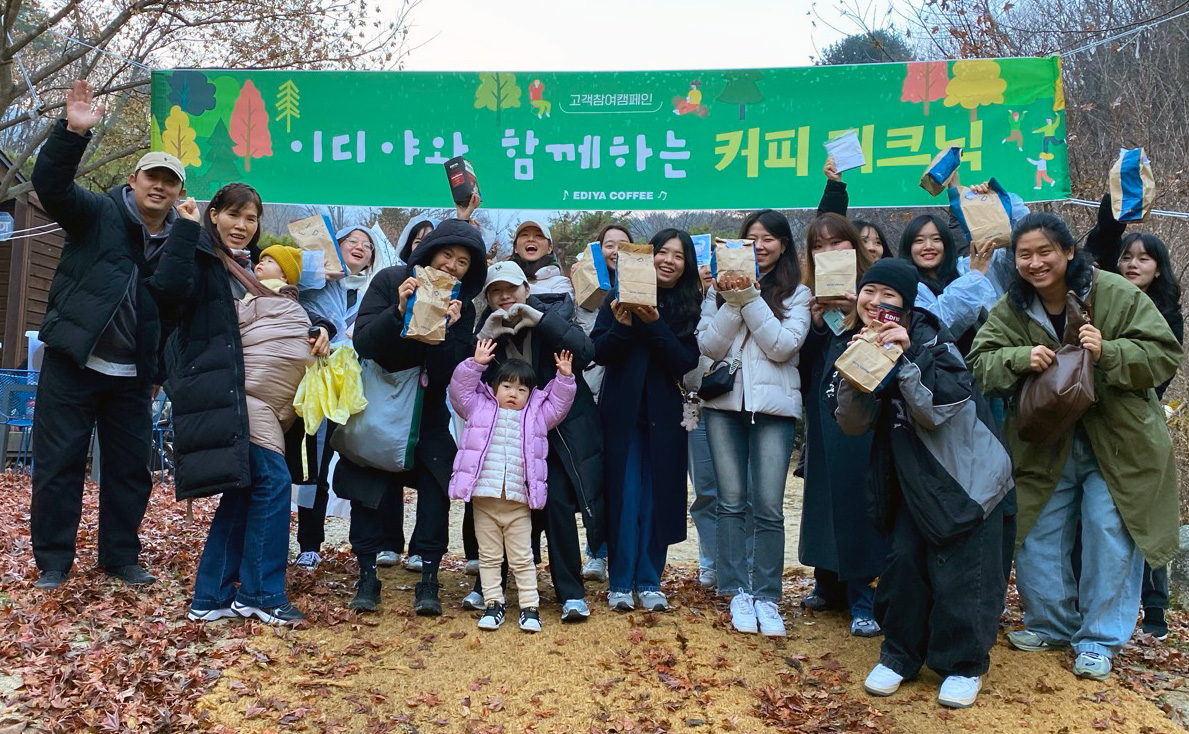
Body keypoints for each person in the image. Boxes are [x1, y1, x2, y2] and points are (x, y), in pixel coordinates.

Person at [968, 212, 1181, 681]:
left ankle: (1099, 639)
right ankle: (1050, 624)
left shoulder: (1115, 292)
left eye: (1045, 251)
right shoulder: (1014, 306)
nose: (1035, 262)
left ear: (1068, 252)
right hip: (1046, 442)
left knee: (1109, 534)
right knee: (1038, 531)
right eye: (1025, 254)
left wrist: (1110, 351)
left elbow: (1165, 354)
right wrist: (1020, 358)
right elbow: (979, 361)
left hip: (1118, 441)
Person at [833, 259, 1015, 709]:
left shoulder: (936, 343)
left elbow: (935, 411)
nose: (876, 303)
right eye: (868, 292)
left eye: (888, 296)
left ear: (908, 304)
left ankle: (963, 664)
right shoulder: (857, 344)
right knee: (905, 567)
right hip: (913, 483)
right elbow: (853, 425)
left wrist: (906, 355)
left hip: (968, 481)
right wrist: (858, 377)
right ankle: (899, 655)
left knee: (965, 576)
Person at [30, 80, 188, 590]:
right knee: (59, 464)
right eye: (151, 178)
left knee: (128, 472)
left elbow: (175, 307)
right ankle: (54, 561)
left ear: (179, 193)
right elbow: (52, 187)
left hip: (131, 376)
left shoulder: (179, 241)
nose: (159, 188)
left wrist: (160, 372)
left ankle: (119, 556)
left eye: (169, 182)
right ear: (134, 179)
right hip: (73, 362)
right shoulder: (96, 214)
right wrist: (71, 134)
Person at [159, 183, 326, 624]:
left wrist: (319, 326)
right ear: (213, 215)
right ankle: (261, 592)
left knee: (244, 490)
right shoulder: (200, 252)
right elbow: (170, 292)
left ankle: (210, 596)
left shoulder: (242, 269)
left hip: (243, 394)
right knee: (272, 482)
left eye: (251, 219)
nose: (242, 226)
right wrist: (187, 231)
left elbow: (275, 312)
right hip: (224, 390)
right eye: (234, 215)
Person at [335, 219, 487, 614]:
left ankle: (430, 578)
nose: (452, 265)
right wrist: (399, 311)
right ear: (430, 252)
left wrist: (450, 333)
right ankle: (367, 575)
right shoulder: (390, 281)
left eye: (463, 262)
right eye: (447, 255)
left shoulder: (462, 306)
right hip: (379, 406)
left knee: (438, 484)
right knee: (367, 486)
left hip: (426, 412)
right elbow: (365, 343)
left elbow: (450, 375)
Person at [469, 262, 605, 621]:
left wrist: (541, 321)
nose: (505, 297)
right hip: (505, 439)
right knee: (499, 507)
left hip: (557, 435)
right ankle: (490, 588)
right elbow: (467, 378)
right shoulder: (488, 330)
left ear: (526, 290)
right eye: (496, 291)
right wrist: (485, 333)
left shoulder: (556, 313)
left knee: (557, 503)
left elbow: (587, 352)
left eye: (511, 289)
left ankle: (571, 593)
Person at [698, 210, 810, 636]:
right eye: (751, 238)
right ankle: (736, 591)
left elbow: (782, 347)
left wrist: (748, 298)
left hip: (774, 410)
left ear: (783, 245)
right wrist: (728, 299)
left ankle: (767, 595)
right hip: (724, 406)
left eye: (768, 238)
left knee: (768, 507)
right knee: (729, 502)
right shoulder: (714, 293)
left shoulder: (797, 294)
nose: (759, 245)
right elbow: (708, 345)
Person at [1083, 196, 1185, 640]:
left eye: (1144, 258)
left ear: (1159, 268)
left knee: (1142, 514)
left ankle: (1155, 610)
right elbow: (1099, 246)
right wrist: (1116, 201)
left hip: (1135, 428)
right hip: (1086, 423)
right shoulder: (1096, 295)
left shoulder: (1165, 315)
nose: (1133, 263)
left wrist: (1111, 360)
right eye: (1127, 256)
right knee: (1099, 523)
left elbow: (1155, 375)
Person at [593, 228, 701, 612]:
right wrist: (623, 326)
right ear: (648, 256)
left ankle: (650, 579)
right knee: (625, 494)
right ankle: (620, 581)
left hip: (665, 416)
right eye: (662, 252)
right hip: (621, 413)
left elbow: (685, 361)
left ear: (686, 266)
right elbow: (598, 351)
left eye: (678, 256)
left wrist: (654, 322)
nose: (668, 261)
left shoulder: (689, 304)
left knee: (657, 497)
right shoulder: (617, 295)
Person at [796, 213, 886, 637]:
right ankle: (826, 581)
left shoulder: (875, 286)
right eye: (820, 246)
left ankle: (862, 597)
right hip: (823, 399)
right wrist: (816, 323)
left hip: (861, 401)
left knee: (856, 492)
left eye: (838, 243)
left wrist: (859, 308)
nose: (830, 252)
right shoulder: (809, 293)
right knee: (822, 488)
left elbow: (892, 332)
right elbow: (803, 359)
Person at [448, 341, 577, 633]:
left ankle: (529, 607)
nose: (513, 394)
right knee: (490, 556)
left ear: (530, 395)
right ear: (494, 387)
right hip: (485, 500)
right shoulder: (478, 407)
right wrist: (475, 364)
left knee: (522, 558)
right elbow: (459, 391)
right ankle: (494, 603)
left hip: (518, 502)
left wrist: (565, 379)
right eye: (507, 386)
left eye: (521, 390)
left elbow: (558, 404)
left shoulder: (535, 417)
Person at [293, 223, 388, 570]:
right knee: (313, 466)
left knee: (360, 460)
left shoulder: (375, 292)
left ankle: (367, 547)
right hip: (315, 382)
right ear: (337, 244)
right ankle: (309, 543)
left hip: (356, 387)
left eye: (367, 245)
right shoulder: (314, 279)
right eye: (352, 241)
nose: (360, 247)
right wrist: (316, 268)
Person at [579, 223, 632, 583]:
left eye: (623, 245)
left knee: (623, 476)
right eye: (608, 245)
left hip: (624, 393)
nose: (615, 250)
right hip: (587, 390)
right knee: (594, 476)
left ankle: (620, 551)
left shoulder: (646, 287)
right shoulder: (584, 286)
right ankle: (596, 551)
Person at [898, 214, 1003, 353]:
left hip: (990, 360)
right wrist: (974, 278)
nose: (928, 246)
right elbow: (938, 322)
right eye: (918, 241)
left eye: (936, 239)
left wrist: (984, 199)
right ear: (908, 247)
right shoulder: (906, 287)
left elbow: (1010, 248)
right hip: (945, 369)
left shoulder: (965, 268)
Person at [510, 220, 573, 296]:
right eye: (524, 235)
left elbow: (562, 305)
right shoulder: (501, 278)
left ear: (549, 248)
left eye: (539, 235)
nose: (531, 239)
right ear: (516, 248)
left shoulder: (561, 283)